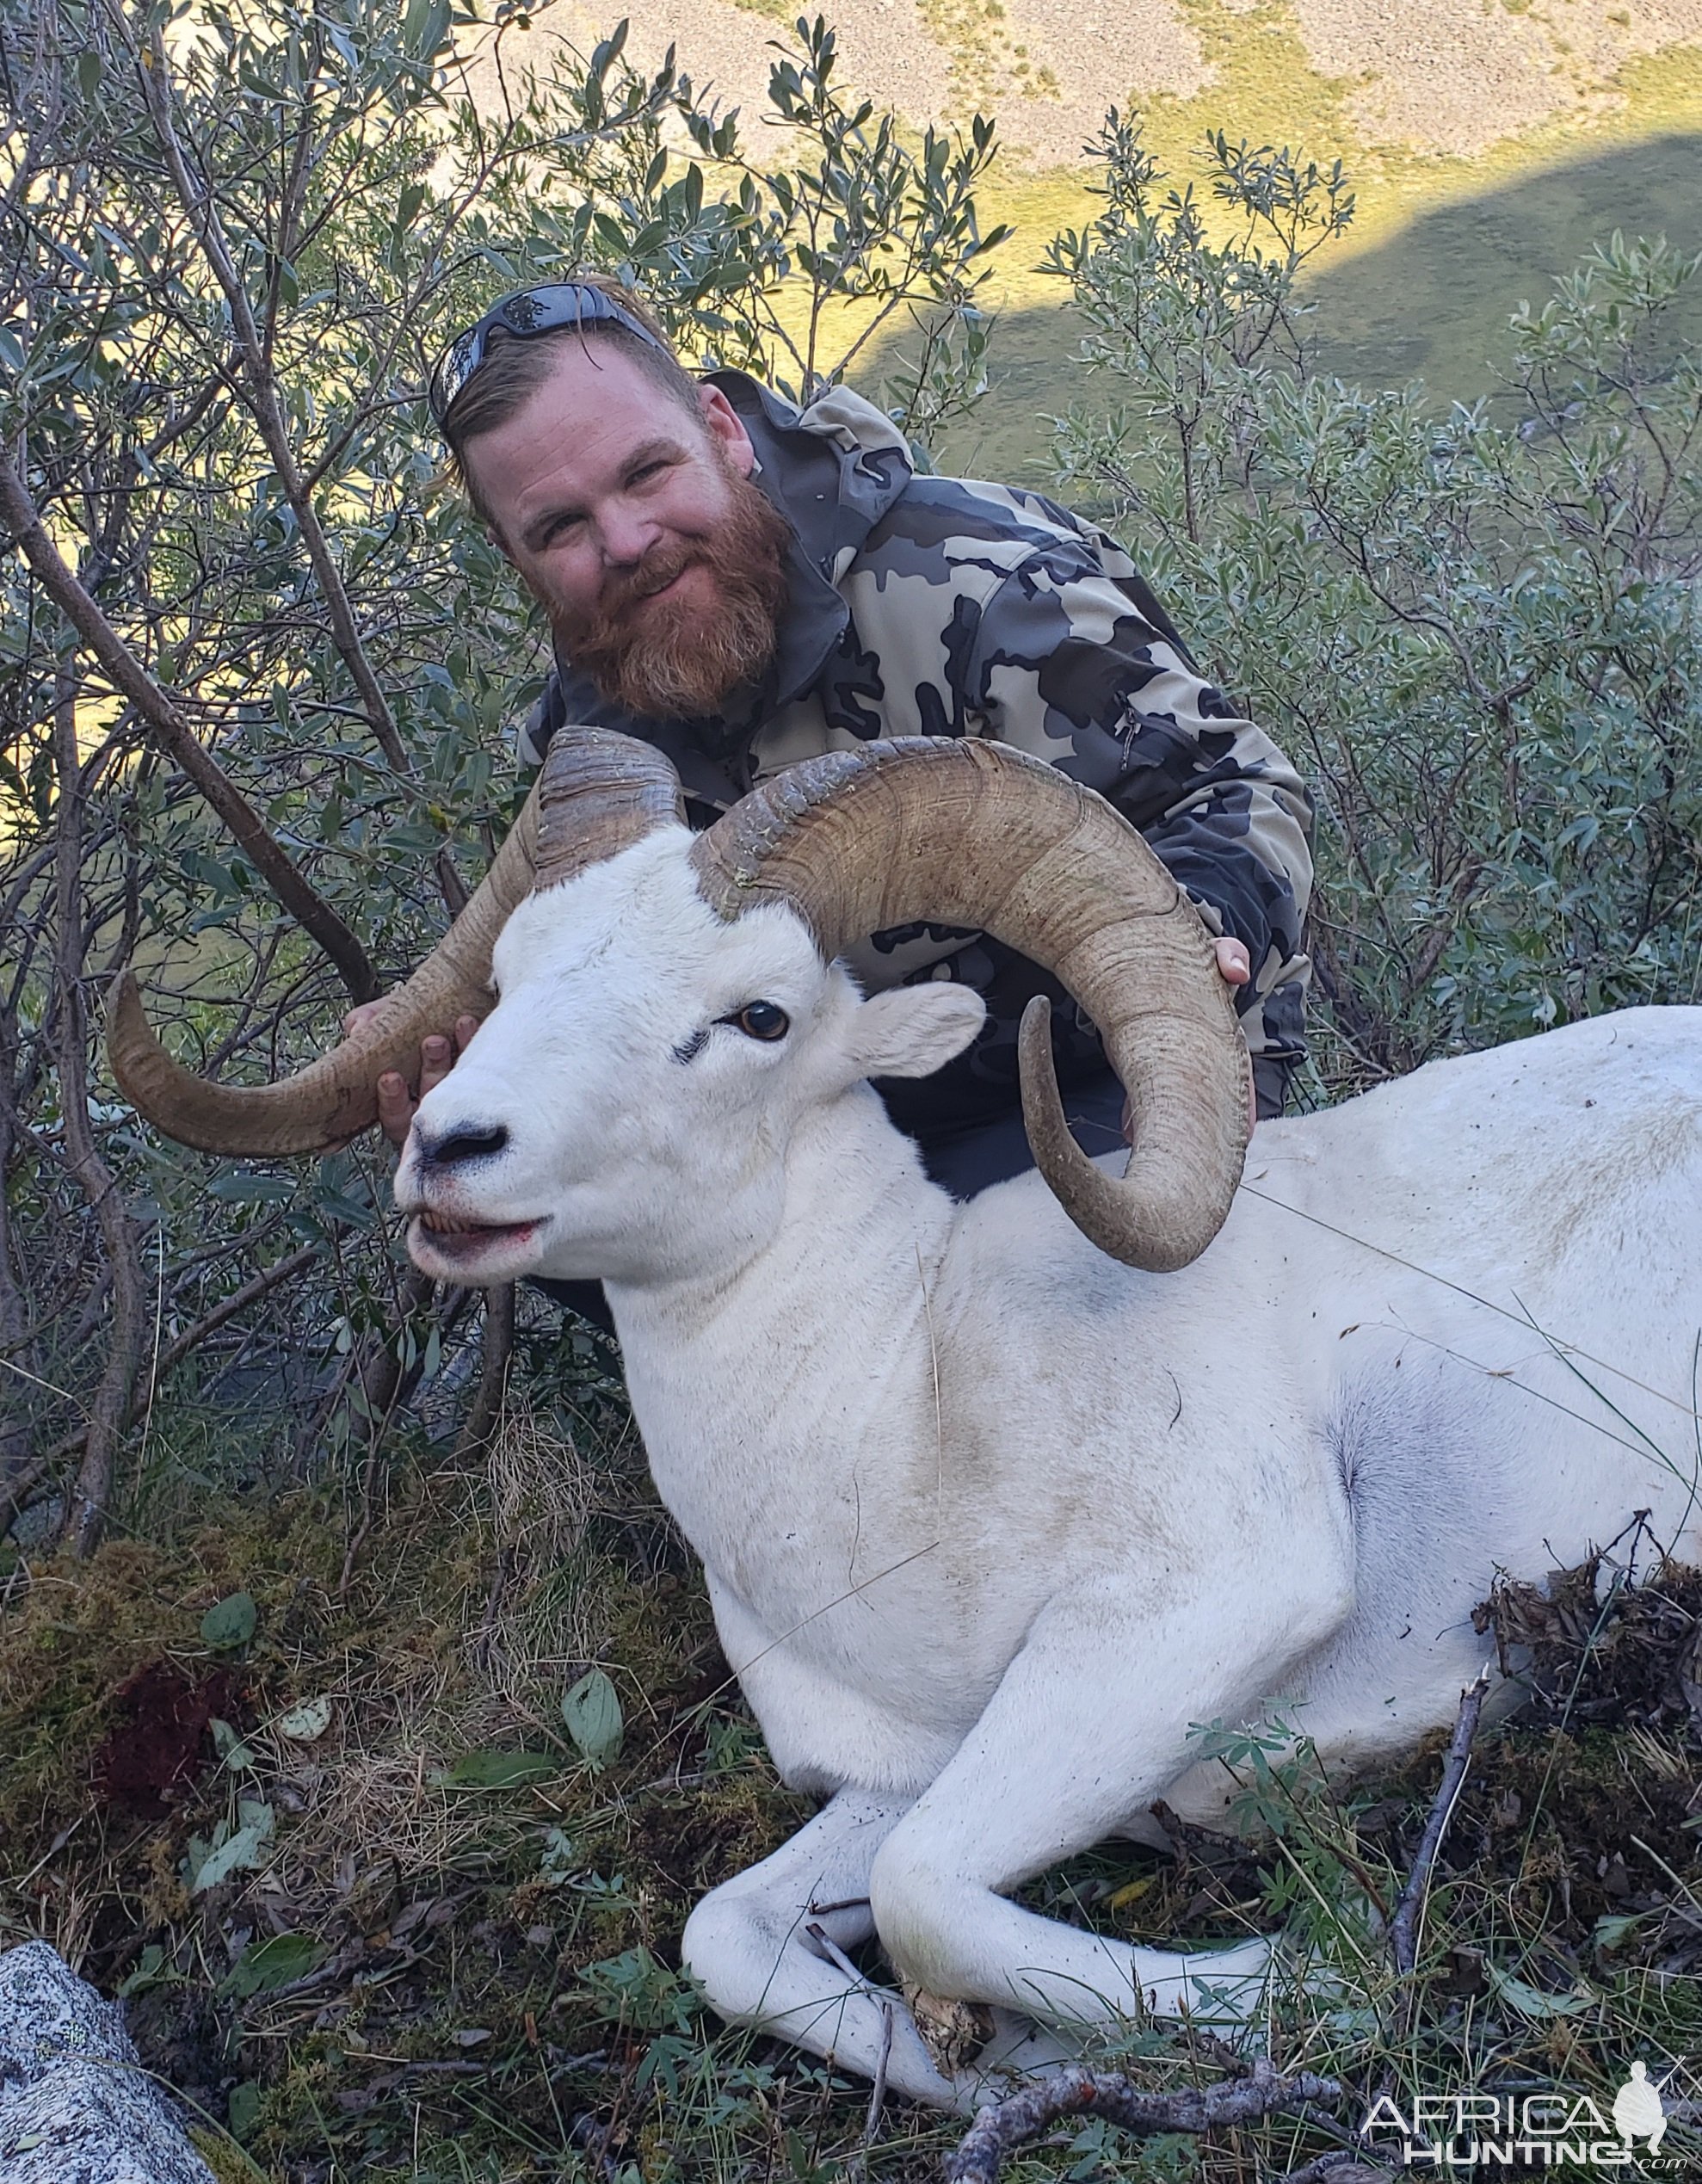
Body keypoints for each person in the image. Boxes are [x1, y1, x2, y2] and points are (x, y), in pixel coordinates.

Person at [355, 276, 1312, 1312]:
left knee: (1037, 1297)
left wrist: (1186, 956)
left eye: (646, 471)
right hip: (832, 1102)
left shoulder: (977, 579)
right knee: (541, 1216)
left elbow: (1232, 790)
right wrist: (487, 1078)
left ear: (721, 430)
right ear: (519, 559)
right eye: (560, 528)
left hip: (1081, 1073)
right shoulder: (592, 730)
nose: (625, 540)